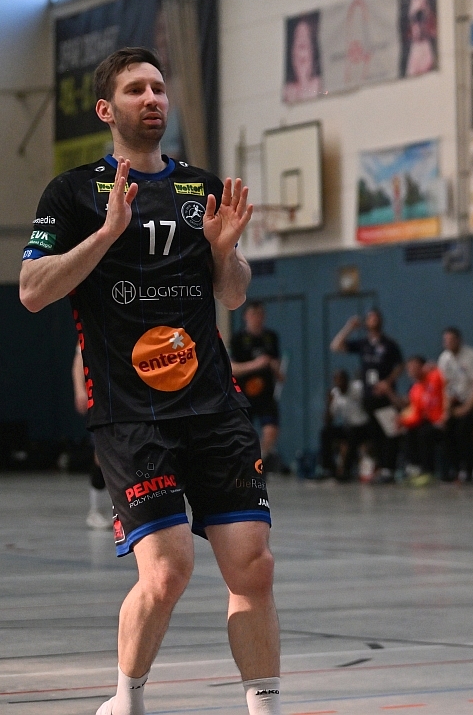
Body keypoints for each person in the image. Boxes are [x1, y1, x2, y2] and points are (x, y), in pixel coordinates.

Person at [17, 46, 279, 715]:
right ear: (107, 110)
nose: (153, 98)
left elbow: (233, 292)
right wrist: (107, 234)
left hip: (212, 405)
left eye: (159, 87)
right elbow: (32, 291)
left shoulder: (200, 186)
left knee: (254, 566)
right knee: (166, 572)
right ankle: (126, 700)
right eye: (136, 89)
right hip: (131, 414)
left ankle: (265, 708)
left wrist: (224, 250)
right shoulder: (72, 192)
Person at [330, 309, 405, 481]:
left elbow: (400, 366)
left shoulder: (389, 344)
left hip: (384, 396)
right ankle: (380, 467)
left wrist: (388, 382)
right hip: (369, 397)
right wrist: (349, 327)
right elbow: (335, 346)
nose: (372, 320)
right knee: (375, 434)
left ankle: (390, 469)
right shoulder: (363, 344)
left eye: (375, 317)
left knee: (390, 431)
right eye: (370, 317)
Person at [230, 303, 286, 474]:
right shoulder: (238, 339)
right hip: (244, 395)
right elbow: (232, 368)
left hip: (266, 395)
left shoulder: (270, 337)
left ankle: (257, 462)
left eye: (260, 314)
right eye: (253, 314)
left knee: (271, 431)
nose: (257, 318)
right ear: (246, 317)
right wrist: (255, 364)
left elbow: (276, 364)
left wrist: (276, 368)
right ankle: (241, 464)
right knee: (242, 434)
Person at [438, 327, 473, 482]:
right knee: (446, 428)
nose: (449, 343)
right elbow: (446, 385)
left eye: (452, 340)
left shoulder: (471, 356)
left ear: (459, 340)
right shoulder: (444, 359)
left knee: (464, 430)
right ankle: (454, 468)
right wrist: (447, 410)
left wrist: (467, 408)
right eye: (446, 340)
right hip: (458, 400)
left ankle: (468, 469)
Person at [73, 347, 113, 530]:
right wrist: (80, 390)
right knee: (102, 454)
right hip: (103, 398)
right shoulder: (94, 331)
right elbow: (79, 360)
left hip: (130, 397)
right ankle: (96, 510)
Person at [399, 356, 447, 485]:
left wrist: (436, 368)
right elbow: (416, 413)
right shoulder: (415, 389)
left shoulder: (435, 377)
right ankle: (414, 469)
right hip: (427, 422)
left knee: (425, 433)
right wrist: (402, 422)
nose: (411, 371)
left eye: (414, 367)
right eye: (409, 368)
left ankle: (429, 471)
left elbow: (446, 380)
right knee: (410, 432)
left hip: (442, 420)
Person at [318, 371, 369, 481]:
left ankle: (346, 471)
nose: (338, 383)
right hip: (349, 427)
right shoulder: (335, 394)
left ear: (346, 380)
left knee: (352, 436)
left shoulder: (357, 388)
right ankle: (329, 469)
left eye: (341, 380)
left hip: (364, 426)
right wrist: (328, 404)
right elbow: (328, 421)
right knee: (326, 433)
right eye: (336, 381)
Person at [283, 13, 322, 103]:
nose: (302, 51)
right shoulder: (287, 91)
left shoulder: (321, 86)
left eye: (305, 43)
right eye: (298, 44)